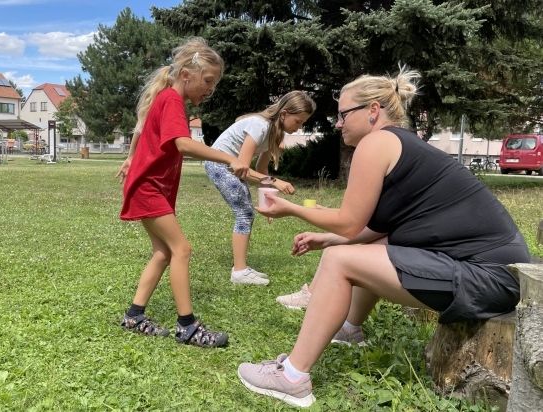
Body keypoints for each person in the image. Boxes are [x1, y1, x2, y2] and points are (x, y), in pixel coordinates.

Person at [237, 66, 530, 407]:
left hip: (489, 278)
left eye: (344, 114)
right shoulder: (400, 144)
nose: (338, 123)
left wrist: (291, 209)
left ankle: (291, 377)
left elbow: (348, 222)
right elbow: (379, 229)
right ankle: (348, 328)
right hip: (495, 273)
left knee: (340, 262)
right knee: (359, 248)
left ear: (373, 111)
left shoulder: (377, 143)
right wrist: (326, 238)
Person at [114, 37, 249, 348]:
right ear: (187, 74)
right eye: (208, 81)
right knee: (181, 249)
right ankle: (187, 327)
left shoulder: (168, 99)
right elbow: (183, 144)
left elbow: (153, 136)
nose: (210, 89)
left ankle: (134, 317)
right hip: (148, 188)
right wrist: (229, 157)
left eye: (214, 84)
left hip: (149, 188)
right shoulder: (172, 100)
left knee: (164, 252)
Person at [205, 91, 316, 286]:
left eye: (303, 123)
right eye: (298, 121)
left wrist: (267, 202)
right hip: (219, 164)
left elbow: (260, 169)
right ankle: (239, 272)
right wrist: (276, 181)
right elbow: (242, 170)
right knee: (244, 214)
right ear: (284, 114)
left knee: (245, 213)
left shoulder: (275, 132)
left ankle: (241, 269)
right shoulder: (260, 125)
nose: (300, 127)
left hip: (229, 166)